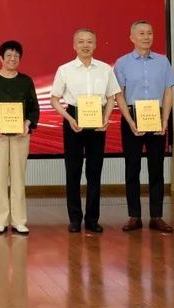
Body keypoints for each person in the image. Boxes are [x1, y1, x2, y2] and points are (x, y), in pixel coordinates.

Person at [50, 29, 120, 233]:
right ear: (74, 45)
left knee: (94, 172)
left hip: (98, 120)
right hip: (74, 119)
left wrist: (106, 118)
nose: (85, 45)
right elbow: (55, 99)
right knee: (73, 171)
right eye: (81, 42)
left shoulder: (105, 69)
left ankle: (92, 219)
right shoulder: (65, 69)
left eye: (89, 42)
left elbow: (111, 97)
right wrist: (70, 118)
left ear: (95, 45)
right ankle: (74, 218)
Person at [114, 21, 174, 233]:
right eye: (141, 33)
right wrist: (130, 121)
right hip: (132, 116)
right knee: (132, 168)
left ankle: (157, 216)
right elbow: (119, 94)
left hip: (157, 116)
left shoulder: (163, 61)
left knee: (156, 168)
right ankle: (134, 216)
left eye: (149, 33)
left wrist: (165, 119)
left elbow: (168, 91)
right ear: (132, 37)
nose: (146, 37)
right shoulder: (122, 63)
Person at [0, 40, 40, 235]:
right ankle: (1, 220)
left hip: (21, 135)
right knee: (0, 176)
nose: (13, 59)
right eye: (9, 55)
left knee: (19, 177)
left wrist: (27, 123)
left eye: (16, 56)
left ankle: (19, 220)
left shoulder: (26, 81)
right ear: (1, 58)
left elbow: (34, 108)